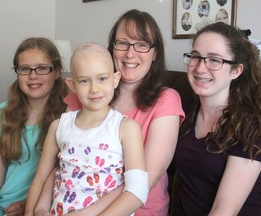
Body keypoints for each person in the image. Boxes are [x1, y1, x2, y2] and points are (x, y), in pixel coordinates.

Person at [63, 9, 185, 215]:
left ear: (155, 53)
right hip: (71, 203)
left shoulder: (166, 99)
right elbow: (62, 158)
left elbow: (146, 179)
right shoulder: (84, 93)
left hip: (138, 210)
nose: (130, 53)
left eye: (142, 44)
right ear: (112, 48)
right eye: (123, 43)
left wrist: (91, 213)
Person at [25, 42, 148, 215]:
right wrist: (31, 211)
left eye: (102, 78)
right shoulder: (59, 126)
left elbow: (138, 191)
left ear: (115, 79)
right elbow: (40, 178)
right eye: (84, 81)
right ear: (72, 85)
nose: (94, 89)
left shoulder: (126, 128)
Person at [172, 22, 261, 215]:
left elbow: (224, 210)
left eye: (215, 60)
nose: (200, 68)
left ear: (236, 70)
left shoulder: (249, 125)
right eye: (196, 57)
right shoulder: (184, 110)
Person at [0, 37, 68, 215]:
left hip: (43, 208)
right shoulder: (2, 113)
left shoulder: (69, 117)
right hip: (2, 207)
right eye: (25, 69)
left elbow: (69, 176)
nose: (33, 76)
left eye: (42, 68)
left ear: (57, 72)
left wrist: (30, 203)